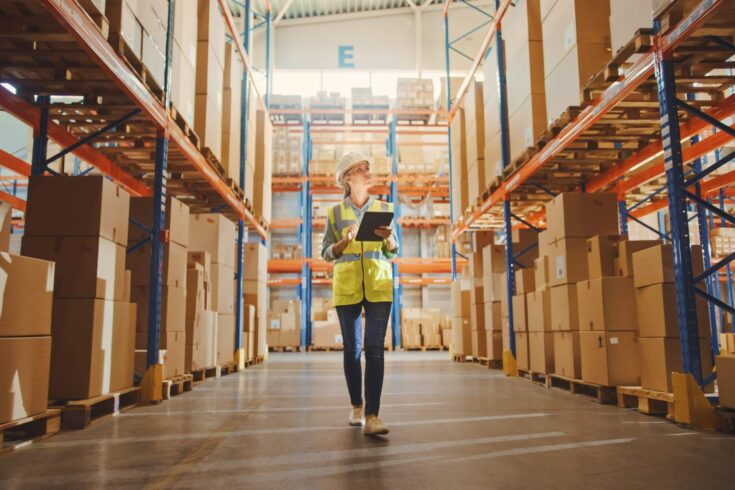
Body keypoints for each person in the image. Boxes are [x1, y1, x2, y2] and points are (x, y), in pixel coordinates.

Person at [321, 152, 398, 436]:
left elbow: (394, 248)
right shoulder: (335, 213)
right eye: (360, 169)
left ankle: (373, 416)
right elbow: (326, 253)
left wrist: (388, 237)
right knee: (353, 351)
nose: (367, 172)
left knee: (375, 349)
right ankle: (356, 405)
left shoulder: (384, 207)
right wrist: (344, 241)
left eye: (368, 168)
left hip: (378, 285)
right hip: (348, 286)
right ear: (347, 178)